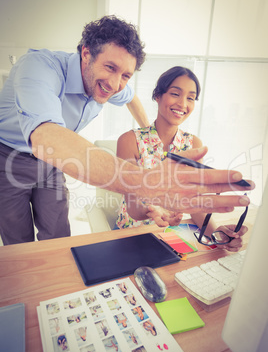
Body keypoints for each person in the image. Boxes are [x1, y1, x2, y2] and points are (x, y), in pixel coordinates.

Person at [0, 17, 253, 245]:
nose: (114, 84)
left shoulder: (115, 84)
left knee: (57, 235)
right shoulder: (39, 67)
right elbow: (46, 136)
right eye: (110, 67)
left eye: (125, 75)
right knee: (19, 242)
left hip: (52, 165)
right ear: (86, 54)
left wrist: (149, 135)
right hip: (9, 157)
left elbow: (130, 98)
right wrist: (146, 182)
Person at [115, 66, 250, 252]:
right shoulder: (129, 141)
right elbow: (131, 205)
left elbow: (197, 204)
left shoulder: (193, 144)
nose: (182, 103)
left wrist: (215, 234)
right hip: (132, 234)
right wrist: (150, 210)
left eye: (191, 98)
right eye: (175, 94)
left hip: (172, 234)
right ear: (158, 96)